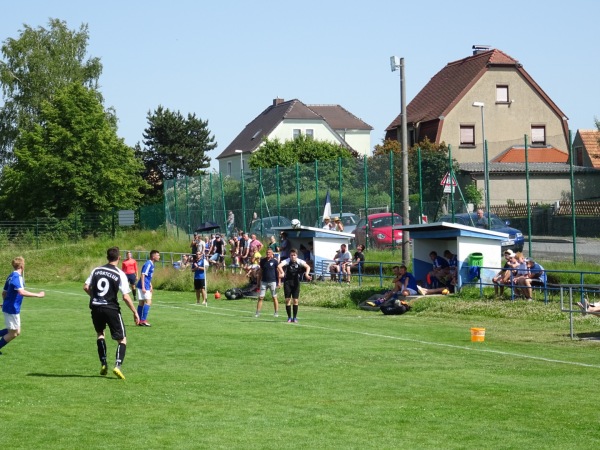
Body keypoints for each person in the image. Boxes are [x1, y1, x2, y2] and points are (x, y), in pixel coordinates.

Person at [84, 247, 139, 379]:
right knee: (122, 339)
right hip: (111, 308)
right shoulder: (120, 274)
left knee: (100, 334)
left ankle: (103, 363)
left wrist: (94, 297)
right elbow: (125, 296)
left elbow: (85, 287)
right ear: (119, 258)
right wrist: (135, 312)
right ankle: (117, 366)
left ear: (107, 257)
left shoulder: (96, 270)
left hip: (96, 307)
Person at [0, 257, 46, 355]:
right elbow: (21, 292)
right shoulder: (17, 277)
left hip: (9, 307)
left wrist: (5, 302)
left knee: (15, 331)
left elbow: (4, 293)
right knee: (13, 334)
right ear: (21, 266)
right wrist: (38, 295)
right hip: (12, 308)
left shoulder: (10, 276)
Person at [278, 248, 312, 323]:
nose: (293, 257)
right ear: (289, 255)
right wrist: (282, 273)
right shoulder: (287, 261)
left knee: (295, 300)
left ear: (297, 255)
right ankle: (289, 317)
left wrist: (306, 274)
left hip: (296, 282)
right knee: (287, 300)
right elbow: (279, 266)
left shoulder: (299, 261)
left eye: (294, 255)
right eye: (291, 255)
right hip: (287, 282)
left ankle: (295, 317)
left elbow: (308, 267)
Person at [136, 250, 160, 327]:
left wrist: (150, 284)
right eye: (158, 255)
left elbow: (147, 276)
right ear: (153, 256)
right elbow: (143, 275)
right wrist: (143, 287)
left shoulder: (151, 264)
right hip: (143, 285)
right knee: (148, 302)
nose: (159, 257)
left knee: (141, 303)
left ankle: (139, 320)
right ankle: (143, 320)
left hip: (145, 284)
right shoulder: (148, 264)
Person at [255, 248, 280, 318]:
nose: (268, 253)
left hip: (273, 281)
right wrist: (258, 282)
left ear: (272, 254)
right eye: (267, 252)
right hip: (264, 281)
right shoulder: (262, 261)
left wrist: (279, 282)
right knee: (261, 297)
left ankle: (276, 312)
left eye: (269, 252)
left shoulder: (275, 261)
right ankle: (257, 312)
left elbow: (278, 272)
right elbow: (260, 272)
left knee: (274, 297)